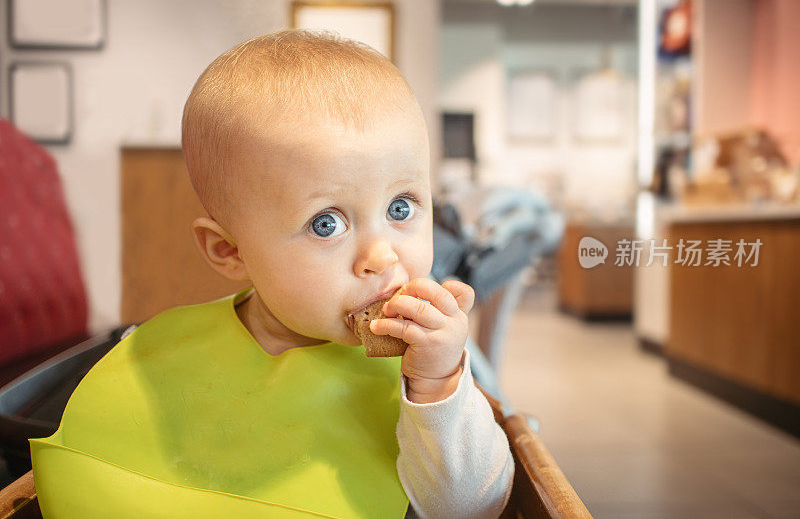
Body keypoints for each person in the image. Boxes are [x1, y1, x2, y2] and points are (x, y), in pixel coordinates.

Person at [30, 30, 513, 518]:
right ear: (229, 250)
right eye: (327, 224)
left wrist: (438, 386)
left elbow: (475, 508)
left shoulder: (429, 365)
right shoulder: (161, 351)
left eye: (401, 207)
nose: (383, 256)